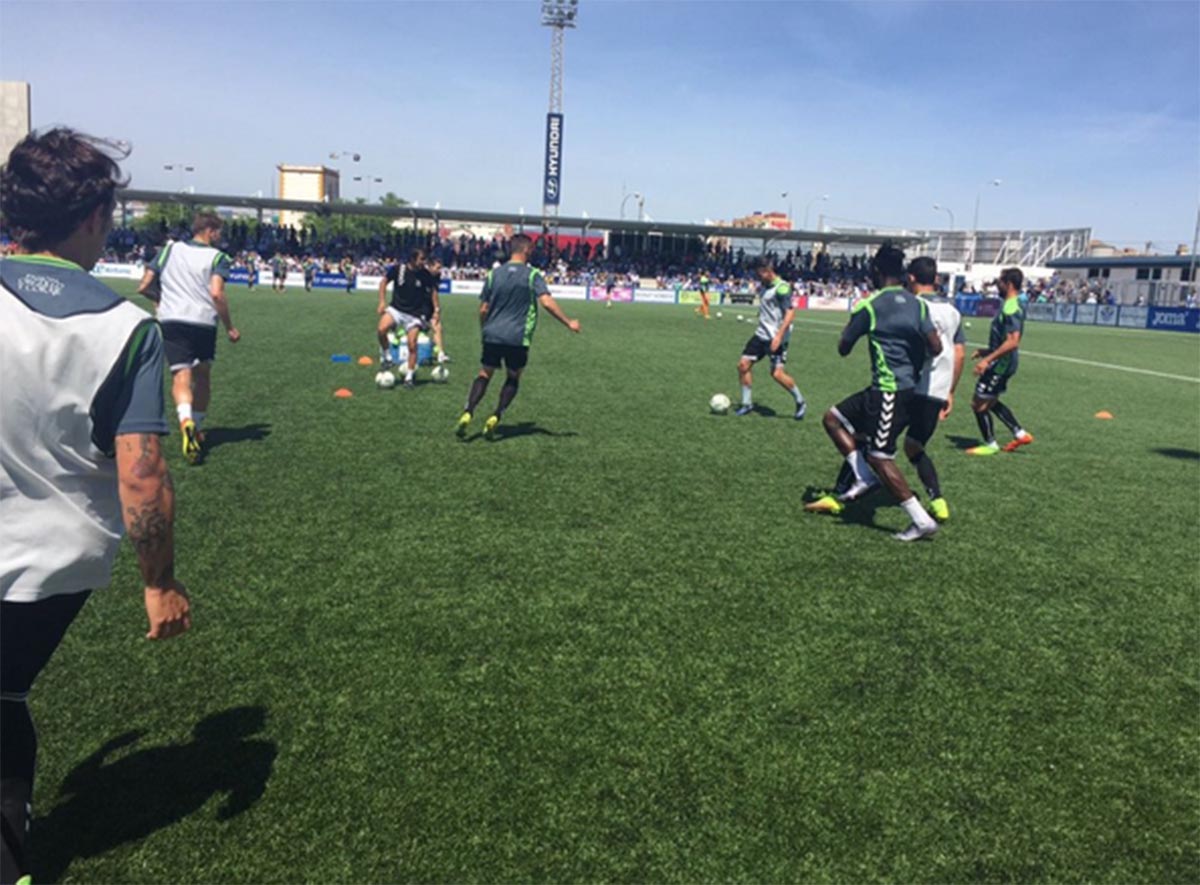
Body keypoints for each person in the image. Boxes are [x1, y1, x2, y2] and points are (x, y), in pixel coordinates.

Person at [0, 127, 192, 885]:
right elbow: (140, 474)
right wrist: (159, 580)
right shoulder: (125, 330)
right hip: (49, 567)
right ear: (89, 218)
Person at [804, 243, 943, 541]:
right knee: (832, 418)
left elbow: (843, 348)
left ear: (876, 271)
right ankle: (862, 477)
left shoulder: (870, 305)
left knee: (881, 457)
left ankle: (920, 520)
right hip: (904, 389)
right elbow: (936, 347)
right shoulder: (917, 303)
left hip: (889, 391)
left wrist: (854, 328)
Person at [137, 211, 241, 464]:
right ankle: (197, 425)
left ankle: (185, 420)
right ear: (211, 231)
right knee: (202, 376)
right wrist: (229, 326)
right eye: (219, 232)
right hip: (203, 322)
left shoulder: (168, 250)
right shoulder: (218, 257)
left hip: (172, 320)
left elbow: (144, 286)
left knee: (180, 376)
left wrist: (160, 301)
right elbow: (216, 294)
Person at [455, 234, 581, 440]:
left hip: (492, 334)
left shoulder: (493, 274)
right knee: (513, 377)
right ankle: (496, 414)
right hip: (517, 336)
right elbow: (547, 303)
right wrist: (568, 322)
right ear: (526, 250)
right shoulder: (532, 275)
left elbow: (483, 309)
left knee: (485, 374)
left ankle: (468, 411)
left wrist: (484, 330)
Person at [903, 256, 965, 522]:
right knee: (914, 446)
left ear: (912, 278)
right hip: (937, 389)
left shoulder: (913, 306)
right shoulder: (953, 311)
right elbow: (960, 353)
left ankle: (846, 490)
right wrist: (951, 390)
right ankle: (938, 500)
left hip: (909, 386)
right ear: (936, 279)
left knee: (868, 435)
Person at [968, 267, 1034, 455]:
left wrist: (987, 360)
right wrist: (986, 351)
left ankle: (990, 444)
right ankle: (1020, 434)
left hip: (1001, 364)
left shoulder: (1012, 306)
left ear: (1009, 284)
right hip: (1001, 361)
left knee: (978, 404)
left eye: (1000, 281)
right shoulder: (1013, 303)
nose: (998, 284)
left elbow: (1013, 341)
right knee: (990, 400)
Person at [734, 258, 806, 420]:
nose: (756, 276)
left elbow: (790, 313)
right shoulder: (765, 286)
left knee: (777, 374)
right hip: (761, 334)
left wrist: (779, 336)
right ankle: (747, 404)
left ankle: (800, 401)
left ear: (767, 270)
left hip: (776, 337)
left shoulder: (782, 288)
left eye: (758, 273)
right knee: (743, 365)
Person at [377, 248, 434, 388]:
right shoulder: (398, 269)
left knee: (412, 344)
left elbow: (432, 294)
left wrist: (430, 315)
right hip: (396, 309)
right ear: (413, 259)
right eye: (421, 259)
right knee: (381, 329)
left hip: (414, 314)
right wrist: (382, 301)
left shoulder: (425, 275)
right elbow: (384, 282)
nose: (423, 263)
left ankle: (409, 378)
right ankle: (387, 356)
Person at [425, 257, 451, 363]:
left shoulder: (437, 276)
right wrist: (436, 309)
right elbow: (433, 293)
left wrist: (436, 309)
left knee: (437, 327)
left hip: (428, 305)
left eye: (440, 268)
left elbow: (434, 293)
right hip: (418, 306)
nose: (439, 270)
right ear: (430, 266)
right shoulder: (423, 275)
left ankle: (440, 353)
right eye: (437, 267)